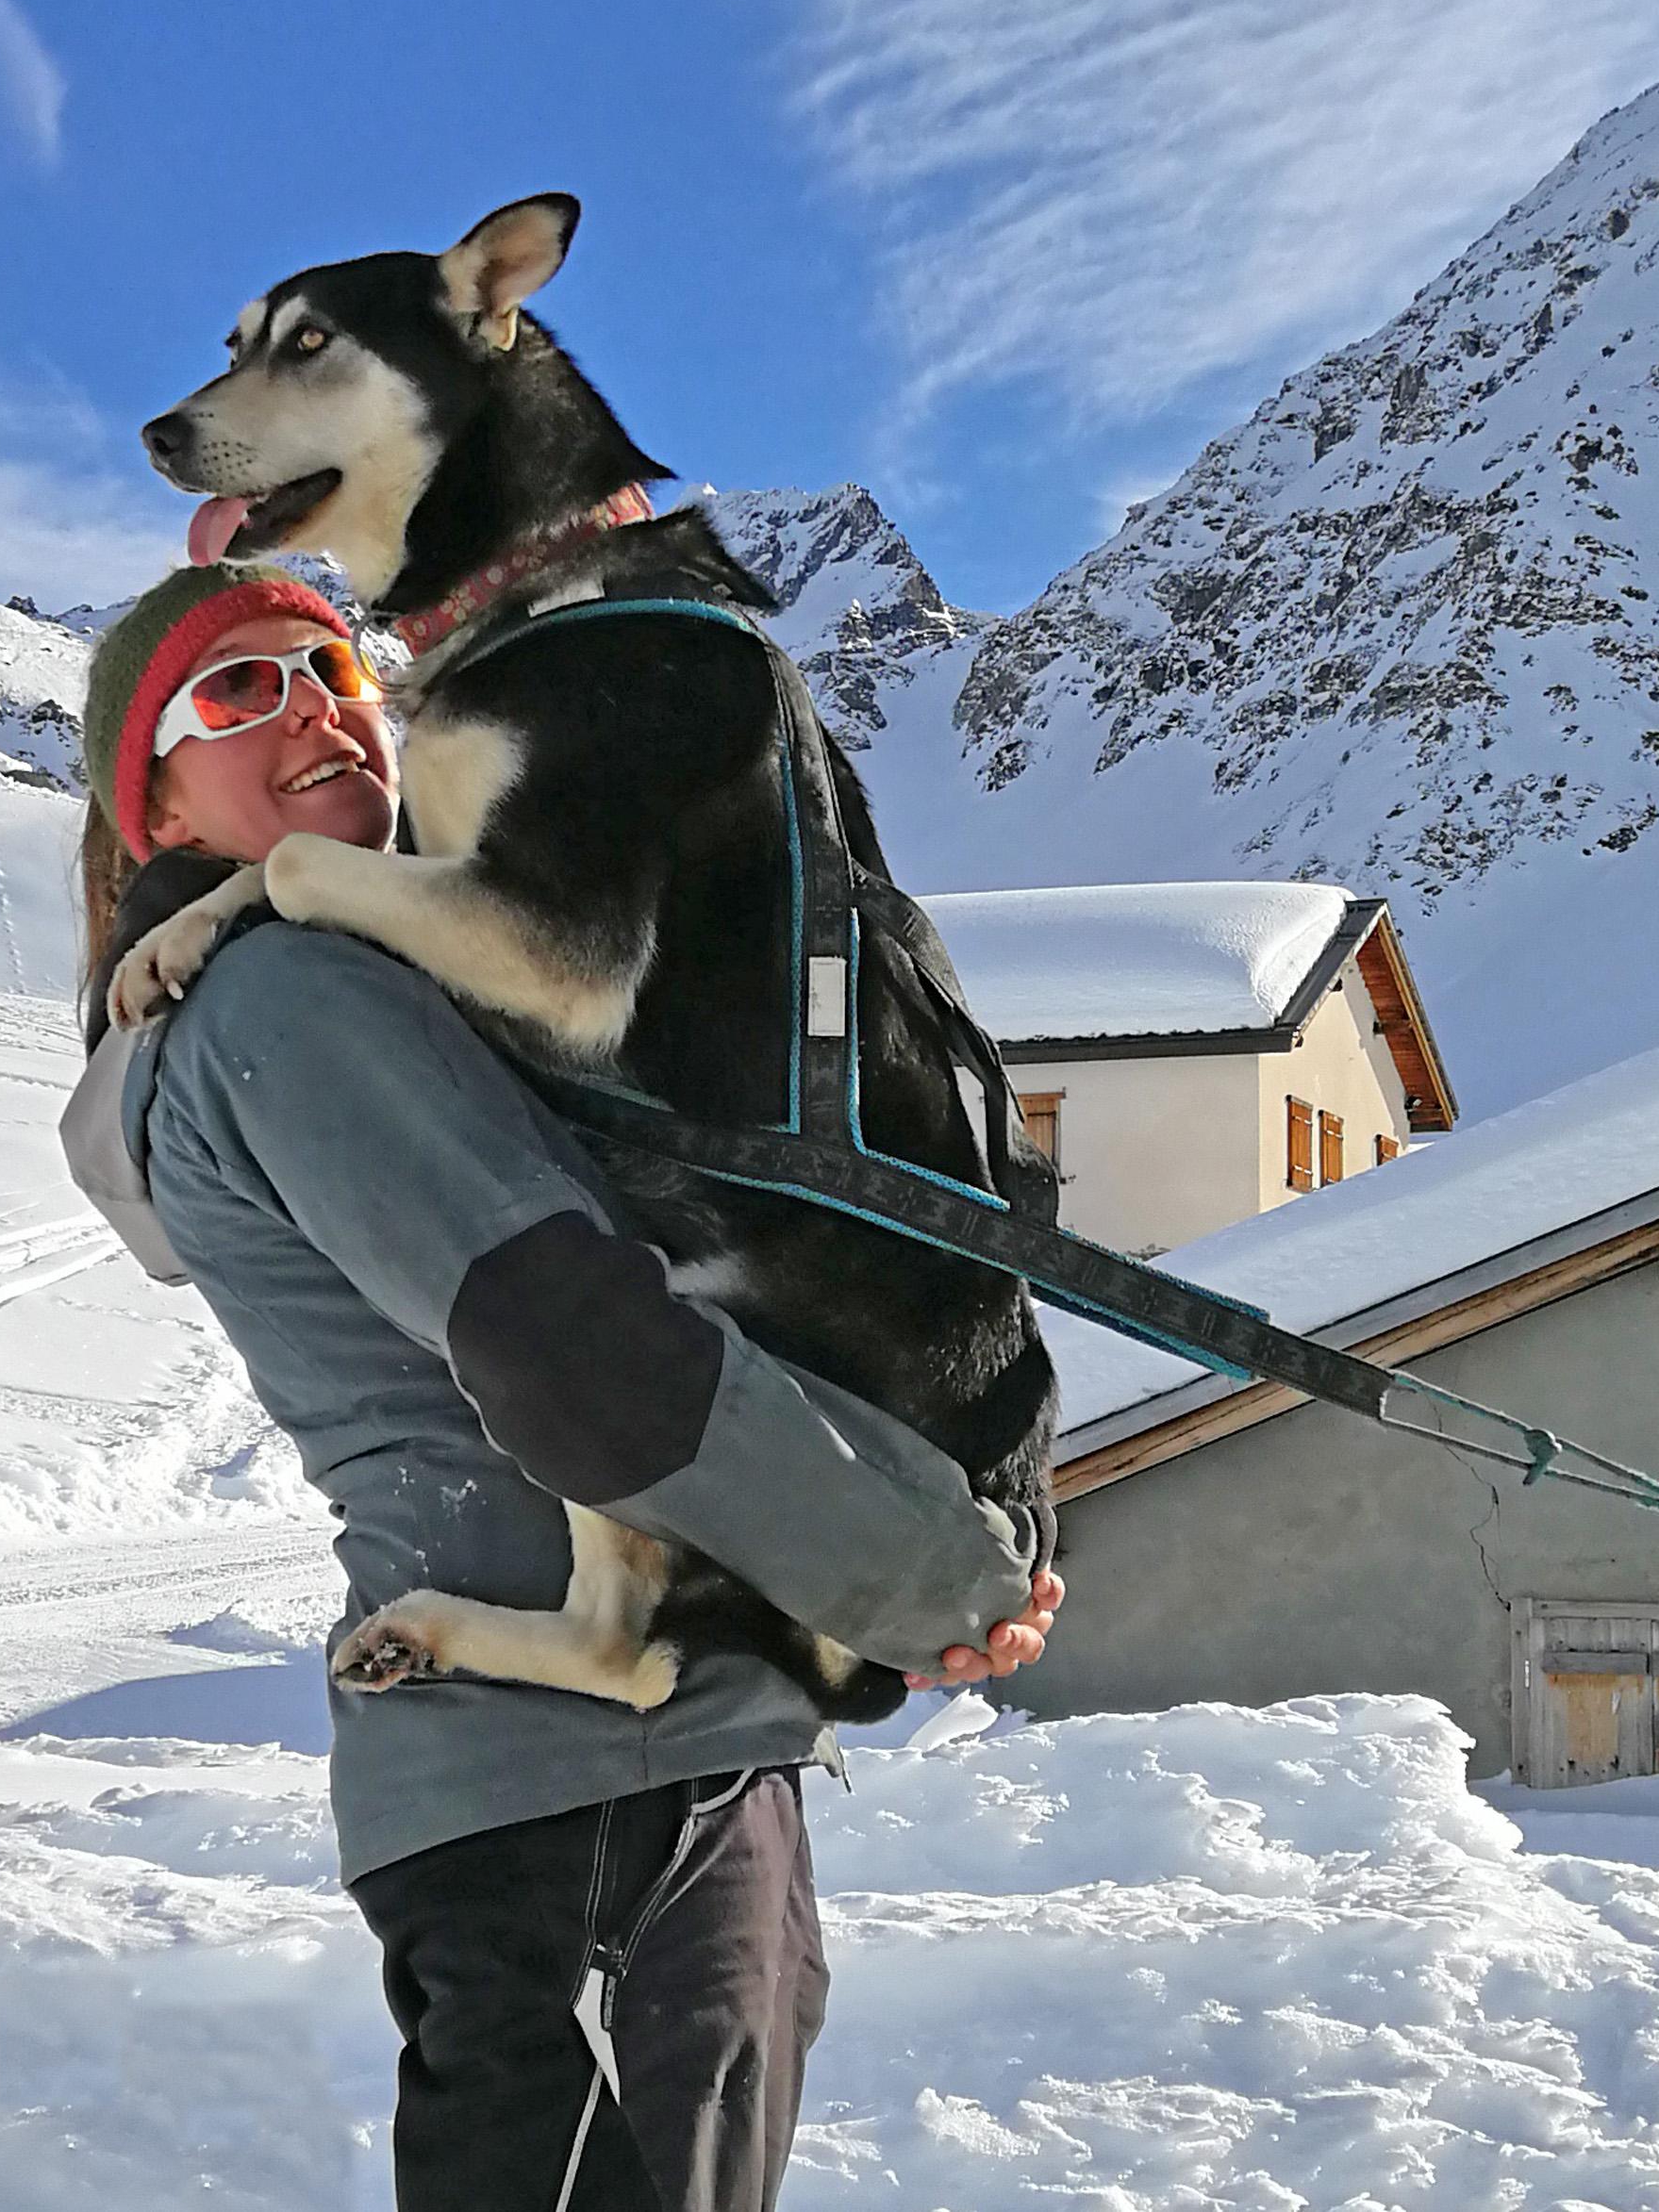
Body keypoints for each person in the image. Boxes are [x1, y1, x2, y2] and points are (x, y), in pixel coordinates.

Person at [58, 559, 1064, 2212]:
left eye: (329, 665)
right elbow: (578, 1349)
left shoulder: (382, 971)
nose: (310, 702)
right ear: (149, 789)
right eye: (236, 691)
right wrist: (918, 1567)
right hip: (579, 1797)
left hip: (640, 1764)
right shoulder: (294, 1005)